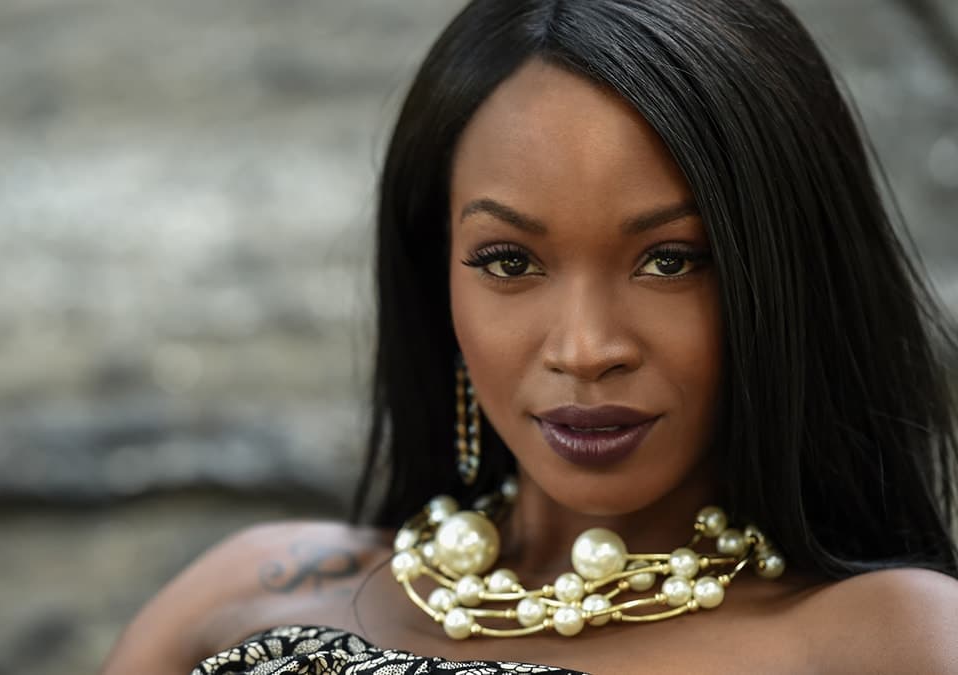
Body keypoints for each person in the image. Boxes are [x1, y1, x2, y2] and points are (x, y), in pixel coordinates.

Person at [101, 0, 958, 672]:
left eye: (671, 260)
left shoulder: (895, 641)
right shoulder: (249, 589)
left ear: (787, 278)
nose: (585, 348)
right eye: (509, 260)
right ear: (434, 271)